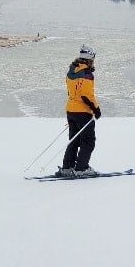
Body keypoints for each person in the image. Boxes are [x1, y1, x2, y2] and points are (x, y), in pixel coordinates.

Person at [56, 44, 102, 177]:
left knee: (74, 140)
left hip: (70, 110)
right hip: (83, 112)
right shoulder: (86, 73)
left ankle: (67, 167)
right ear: (90, 58)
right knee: (88, 141)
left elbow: (72, 91)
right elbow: (86, 94)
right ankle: (81, 168)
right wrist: (96, 109)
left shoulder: (71, 70)